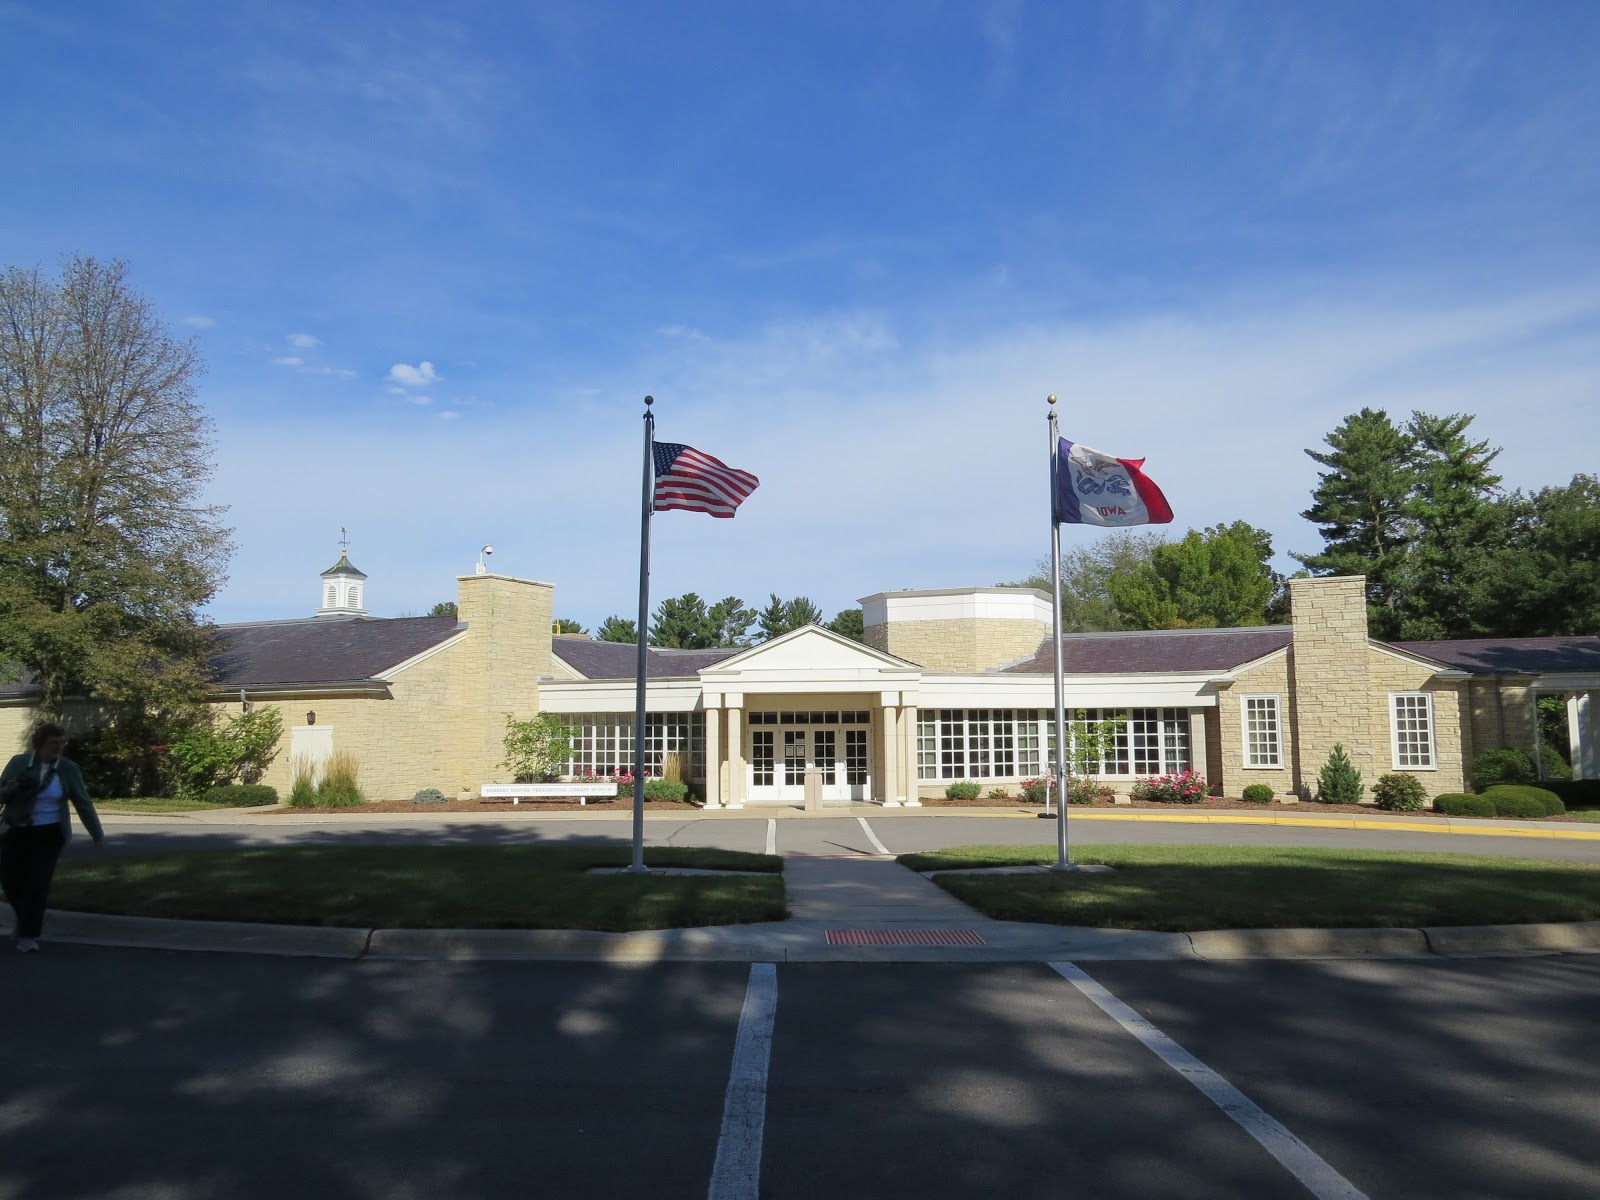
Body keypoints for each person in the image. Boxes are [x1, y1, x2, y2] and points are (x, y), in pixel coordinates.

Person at [0, 723, 104, 952]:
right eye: (54, 743)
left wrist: (97, 833)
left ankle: (28, 936)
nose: (59, 747)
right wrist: (9, 790)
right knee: (11, 881)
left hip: (49, 833)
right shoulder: (19, 763)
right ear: (40, 744)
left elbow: (82, 801)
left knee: (37, 884)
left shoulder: (68, 768)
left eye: (63, 742)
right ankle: (26, 920)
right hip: (16, 829)